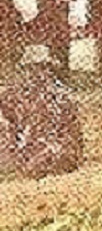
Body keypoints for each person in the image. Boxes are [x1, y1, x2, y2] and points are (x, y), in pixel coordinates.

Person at [0, 44, 83, 179]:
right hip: (32, 149)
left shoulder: (61, 96)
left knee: (44, 158)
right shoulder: (17, 93)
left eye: (41, 67)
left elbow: (73, 134)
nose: (37, 72)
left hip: (53, 149)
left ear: (48, 69)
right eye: (33, 68)